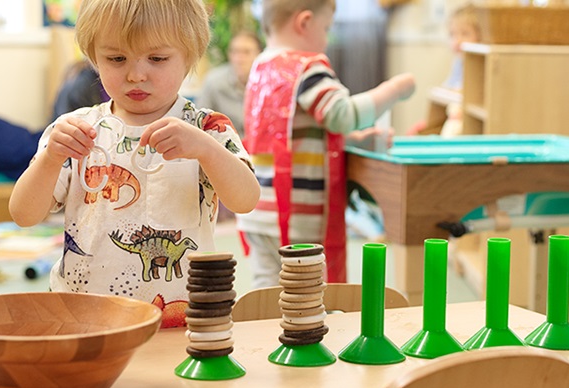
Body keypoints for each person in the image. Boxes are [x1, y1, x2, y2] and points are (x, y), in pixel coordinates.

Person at [9, 0, 260, 328]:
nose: (136, 74)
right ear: (94, 58)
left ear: (189, 56)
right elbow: (23, 215)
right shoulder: (74, 130)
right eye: (116, 58)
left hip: (183, 316)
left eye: (157, 58)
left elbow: (247, 200)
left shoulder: (207, 129)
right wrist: (49, 159)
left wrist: (208, 151)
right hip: (83, 314)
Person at [236, 0, 416, 288]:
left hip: (256, 213)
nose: (326, 37)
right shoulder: (308, 67)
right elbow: (341, 115)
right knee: (305, 299)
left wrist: (349, 140)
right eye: (326, 28)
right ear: (304, 22)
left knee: (267, 295)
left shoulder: (261, 66)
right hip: (297, 217)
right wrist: (392, 90)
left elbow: (292, 132)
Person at [407, 3, 480, 136]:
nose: (457, 41)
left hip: (462, 118)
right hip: (451, 110)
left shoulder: (478, 67)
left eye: (465, 34)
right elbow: (449, 87)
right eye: (452, 35)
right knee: (416, 130)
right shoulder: (458, 62)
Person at [197, 30, 264, 138]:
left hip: (260, 149)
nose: (239, 59)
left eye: (246, 52)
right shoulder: (214, 82)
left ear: (259, 55)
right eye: (235, 52)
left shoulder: (267, 84)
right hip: (224, 148)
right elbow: (198, 123)